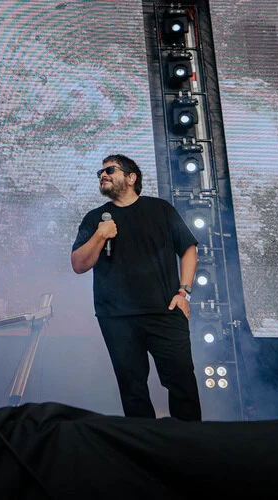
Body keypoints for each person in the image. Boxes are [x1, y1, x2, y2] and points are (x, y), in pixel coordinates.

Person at [71, 154, 201, 421]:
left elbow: (188, 248)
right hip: (116, 318)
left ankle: (191, 447)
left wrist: (184, 292)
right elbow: (78, 264)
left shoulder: (160, 210)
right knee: (132, 391)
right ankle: (144, 450)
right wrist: (100, 234)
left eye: (110, 170)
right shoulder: (95, 218)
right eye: (100, 172)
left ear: (132, 178)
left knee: (182, 383)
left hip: (164, 311)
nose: (102, 175)